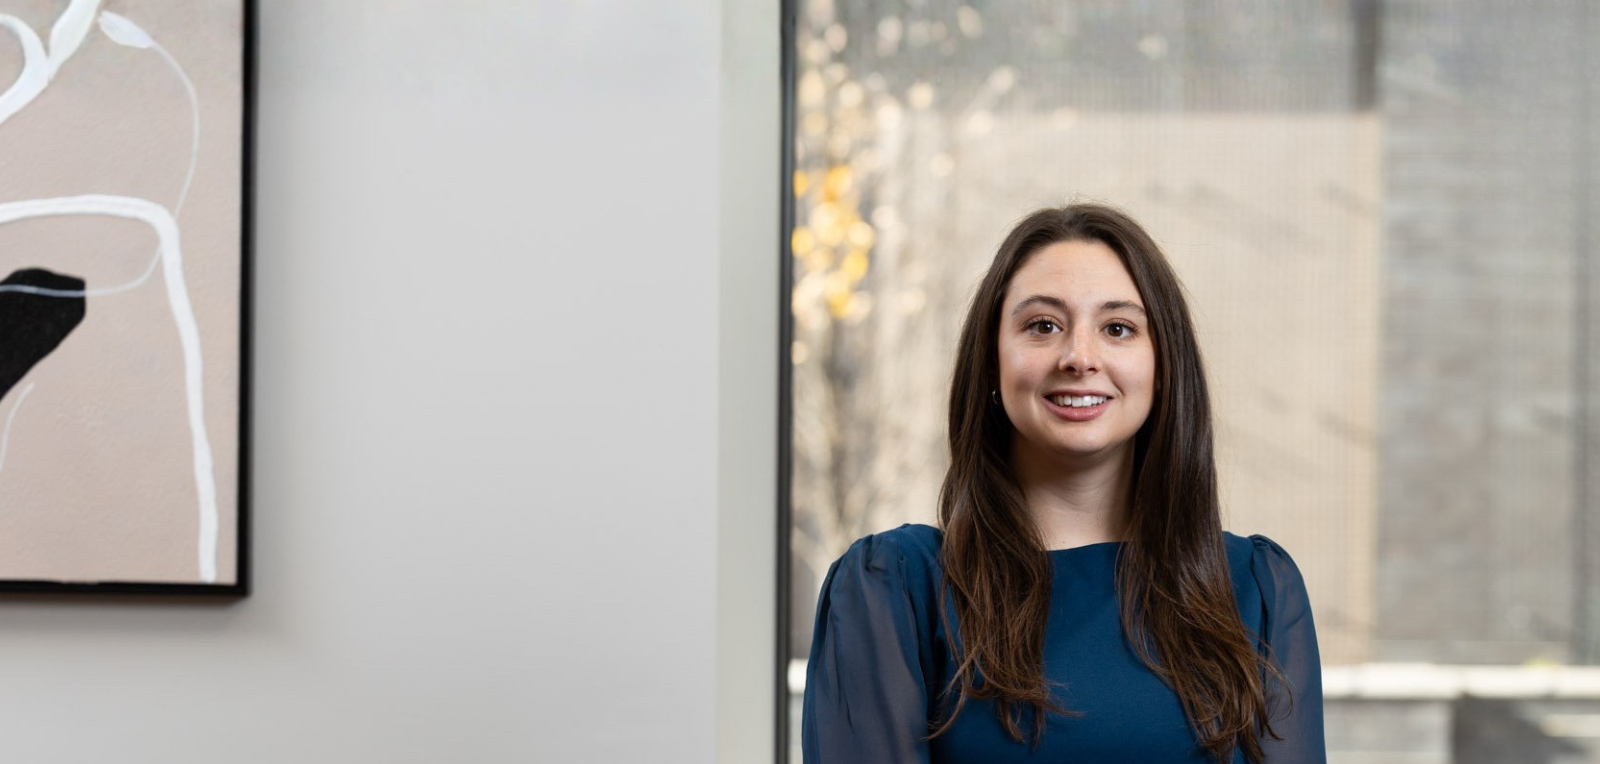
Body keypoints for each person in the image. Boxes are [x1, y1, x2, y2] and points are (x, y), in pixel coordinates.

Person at [801, 204, 1325, 763]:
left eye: (1118, 329)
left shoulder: (1258, 591)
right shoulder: (896, 588)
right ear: (992, 361)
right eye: (1043, 326)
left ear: (1163, 368)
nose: (1079, 357)